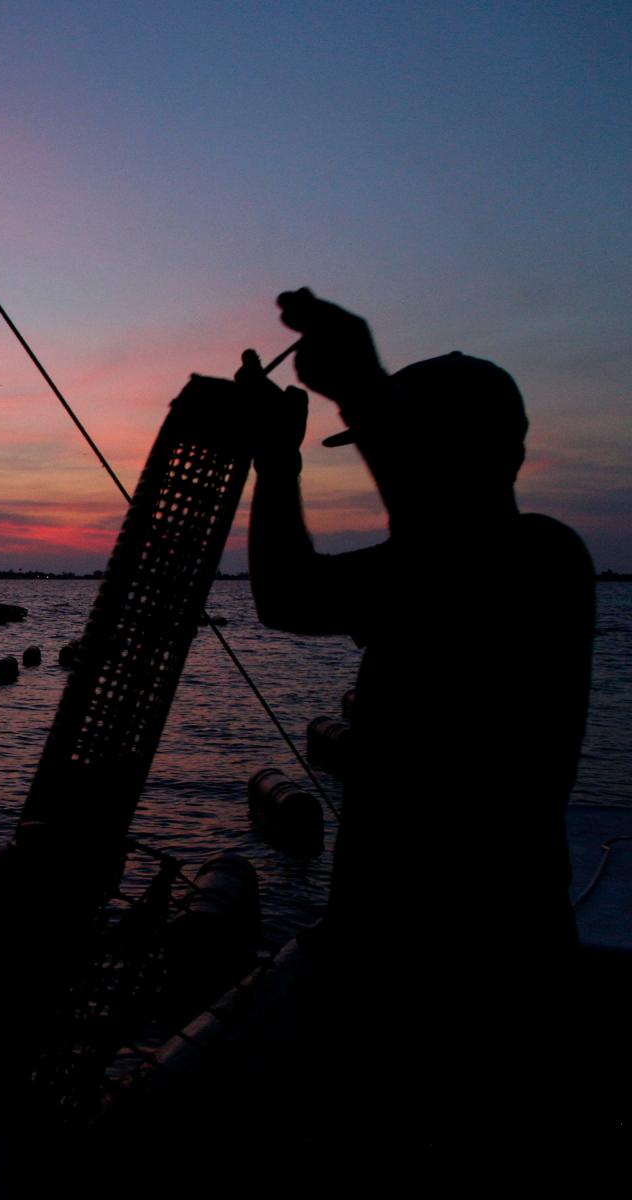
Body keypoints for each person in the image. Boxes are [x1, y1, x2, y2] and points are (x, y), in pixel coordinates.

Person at [240, 288, 595, 1166]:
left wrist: (362, 389)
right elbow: (286, 595)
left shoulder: (542, 560)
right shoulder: (430, 565)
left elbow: (451, 548)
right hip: (385, 974)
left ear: (491, 454)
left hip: (498, 981)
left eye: (404, 444)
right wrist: (277, 466)